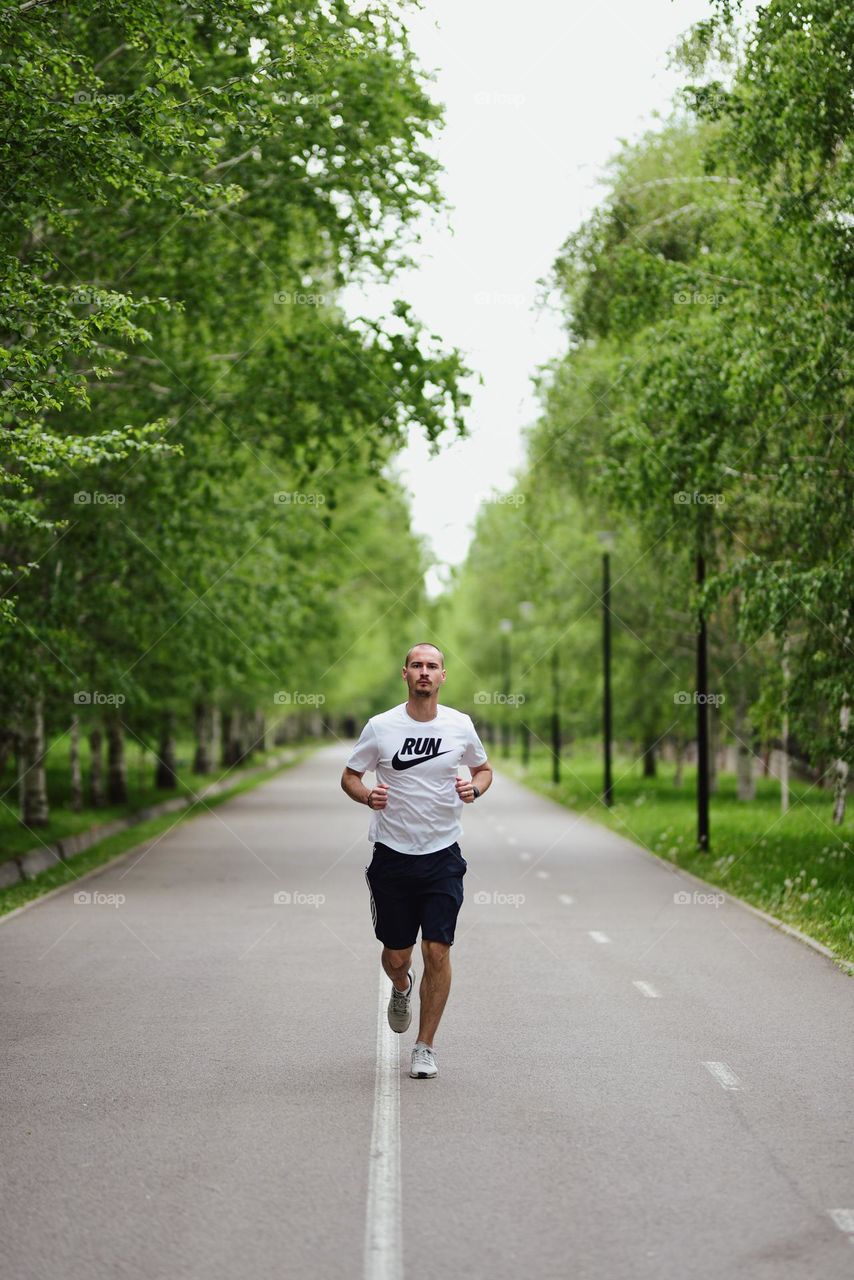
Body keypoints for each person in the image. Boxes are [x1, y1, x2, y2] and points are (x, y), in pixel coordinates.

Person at [341, 642, 493, 1079]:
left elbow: (484, 769)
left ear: (443, 676)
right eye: (417, 666)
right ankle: (402, 987)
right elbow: (350, 775)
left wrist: (475, 789)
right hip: (392, 856)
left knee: (438, 949)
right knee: (396, 956)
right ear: (404, 673)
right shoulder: (381, 726)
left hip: (443, 855)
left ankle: (425, 1047)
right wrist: (368, 794)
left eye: (432, 666)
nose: (424, 672)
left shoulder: (460, 725)